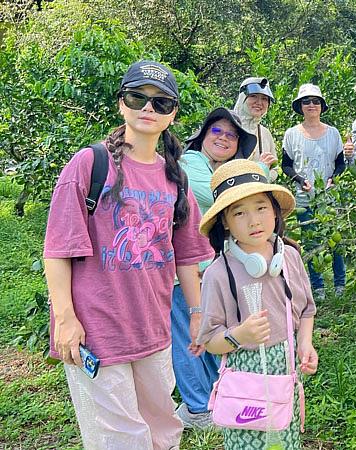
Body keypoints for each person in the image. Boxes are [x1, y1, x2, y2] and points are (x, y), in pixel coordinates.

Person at [43, 60, 214, 449]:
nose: (148, 109)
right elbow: (58, 250)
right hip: (97, 328)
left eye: (161, 103)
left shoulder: (175, 177)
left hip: (153, 327)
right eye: (138, 97)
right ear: (122, 103)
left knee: (162, 428)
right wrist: (66, 319)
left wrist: (198, 313)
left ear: (172, 115)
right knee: (118, 437)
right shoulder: (90, 163)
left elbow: (187, 255)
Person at [196, 159, 318, 449]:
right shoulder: (218, 274)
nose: (254, 221)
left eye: (261, 208)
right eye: (240, 213)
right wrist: (240, 336)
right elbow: (210, 341)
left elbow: (307, 310)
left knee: (286, 441)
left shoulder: (288, 257)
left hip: (286, 372)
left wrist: (305, 343)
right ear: (224, 221)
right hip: (244, 382)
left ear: (274, 211)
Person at [171, 107, 258, 428]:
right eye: (217, 131)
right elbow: (220, 195)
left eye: (231, 135)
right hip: (184, 272)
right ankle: (197, 407)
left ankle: (213, 398)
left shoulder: (217, 167)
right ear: (203, 136)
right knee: (186, 337)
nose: (223, 138)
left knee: (208, 335)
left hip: (211, 270)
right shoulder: (190, 163)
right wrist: (258, 171)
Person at [281, 83, 346, 299]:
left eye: (315, 101)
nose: (311, 105)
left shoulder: (333, 133)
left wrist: (333, 179)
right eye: (306, 101)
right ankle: (318, 287)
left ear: (321, 106)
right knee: (310, 241)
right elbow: (286, 165)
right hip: (304, 198)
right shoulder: (291, 134)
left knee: (335, 242)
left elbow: (340, 163)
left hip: (329, 197)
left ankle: (340, 284)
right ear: (300, 106)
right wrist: (299, 180)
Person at [233, 77, 280, 181]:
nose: (259, 102)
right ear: (242, 98)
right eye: (253, 96)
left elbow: (274, 169)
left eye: (264, 98)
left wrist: (262, 178)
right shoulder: (228, 128)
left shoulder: (265, 133)